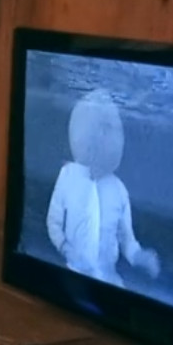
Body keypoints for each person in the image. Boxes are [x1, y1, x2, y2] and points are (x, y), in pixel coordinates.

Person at [46, 88, 160, 286]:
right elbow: (53, 222)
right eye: (100, 128)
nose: (104, 136)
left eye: (110, 129)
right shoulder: (68, 176)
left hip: (109, 283)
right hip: (73, 276)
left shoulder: (119, 190)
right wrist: (65, 248)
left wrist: (141, 257)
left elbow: (127, 240)